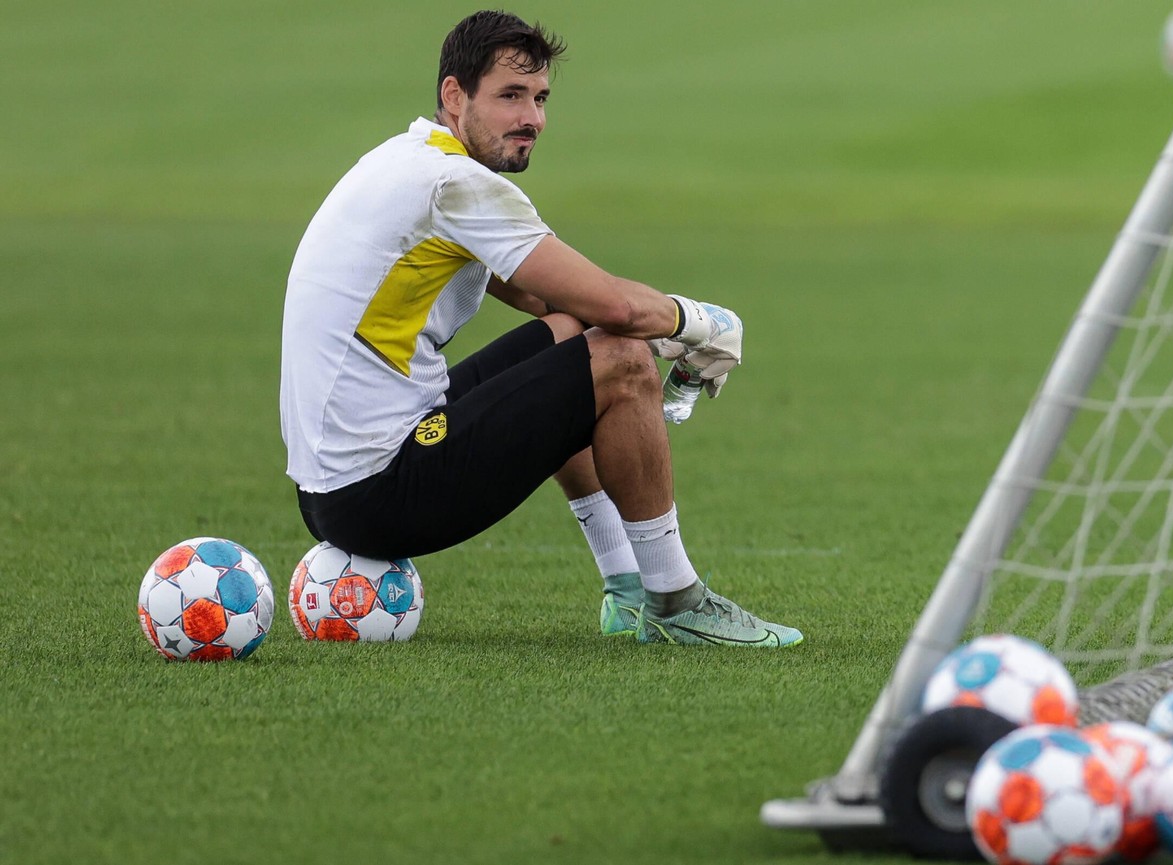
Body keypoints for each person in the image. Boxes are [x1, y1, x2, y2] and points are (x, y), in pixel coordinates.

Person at [278, 10, 800, 647]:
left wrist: (658, 325)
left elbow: (553, 299)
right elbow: (617, 310)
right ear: (454, 96)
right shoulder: (456, 184)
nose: (532, 118)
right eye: (509, 96)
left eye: (540, 97)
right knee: (621, 361)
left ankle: (627, 590)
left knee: (571, 339)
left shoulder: (406, 160)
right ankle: (673, 599)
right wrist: (705, 324)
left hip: (328, 486)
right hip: (376, 491)